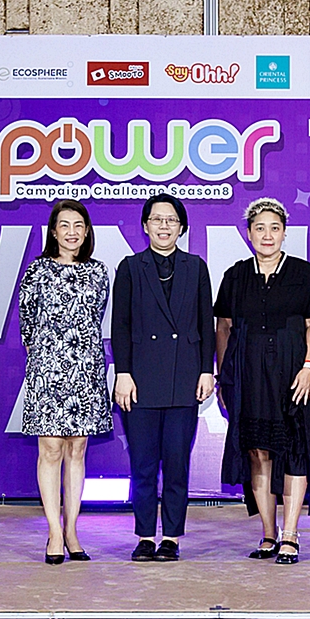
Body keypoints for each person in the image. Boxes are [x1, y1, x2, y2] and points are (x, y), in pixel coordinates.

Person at [215, 198, 310, 565]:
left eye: (275, 228)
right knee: (258, 452)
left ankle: (290, 534)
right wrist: (225, 378)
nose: (267, 235)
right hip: (248, 377)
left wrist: (309, 366)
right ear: (248, 233)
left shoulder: (302, 272)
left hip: (295, 376)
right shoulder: (235, 276)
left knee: (295, 451)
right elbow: (224, 328)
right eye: (260, 228)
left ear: (284, 232)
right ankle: (268, 534)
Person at [111, 194, 216, 562]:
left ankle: (170, 537)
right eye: (157, 219)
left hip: (184, 379)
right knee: (142, 465)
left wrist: (207, 369)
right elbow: (120, 325)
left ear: (181, 227)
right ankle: (144, 536)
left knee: (176, 463)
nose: (164, 226)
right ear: (145, 226)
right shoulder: (130, 267)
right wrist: (123, 373)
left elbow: (206, 323)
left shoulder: (195, 267)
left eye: (171, 220)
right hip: (140, 381)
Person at [18, 199, 111, 565]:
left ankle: (72, 531)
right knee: (51, 450)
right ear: (53, 232)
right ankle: (54, 533)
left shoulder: (98, 272)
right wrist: (47, 356)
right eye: (64, 225)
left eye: (78, 225)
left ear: (86, 232)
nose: (72, 232)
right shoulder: (37, 270)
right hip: (48, 369)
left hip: (85, 368)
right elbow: (27, 323)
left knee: (77, 450)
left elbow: (95, 318)